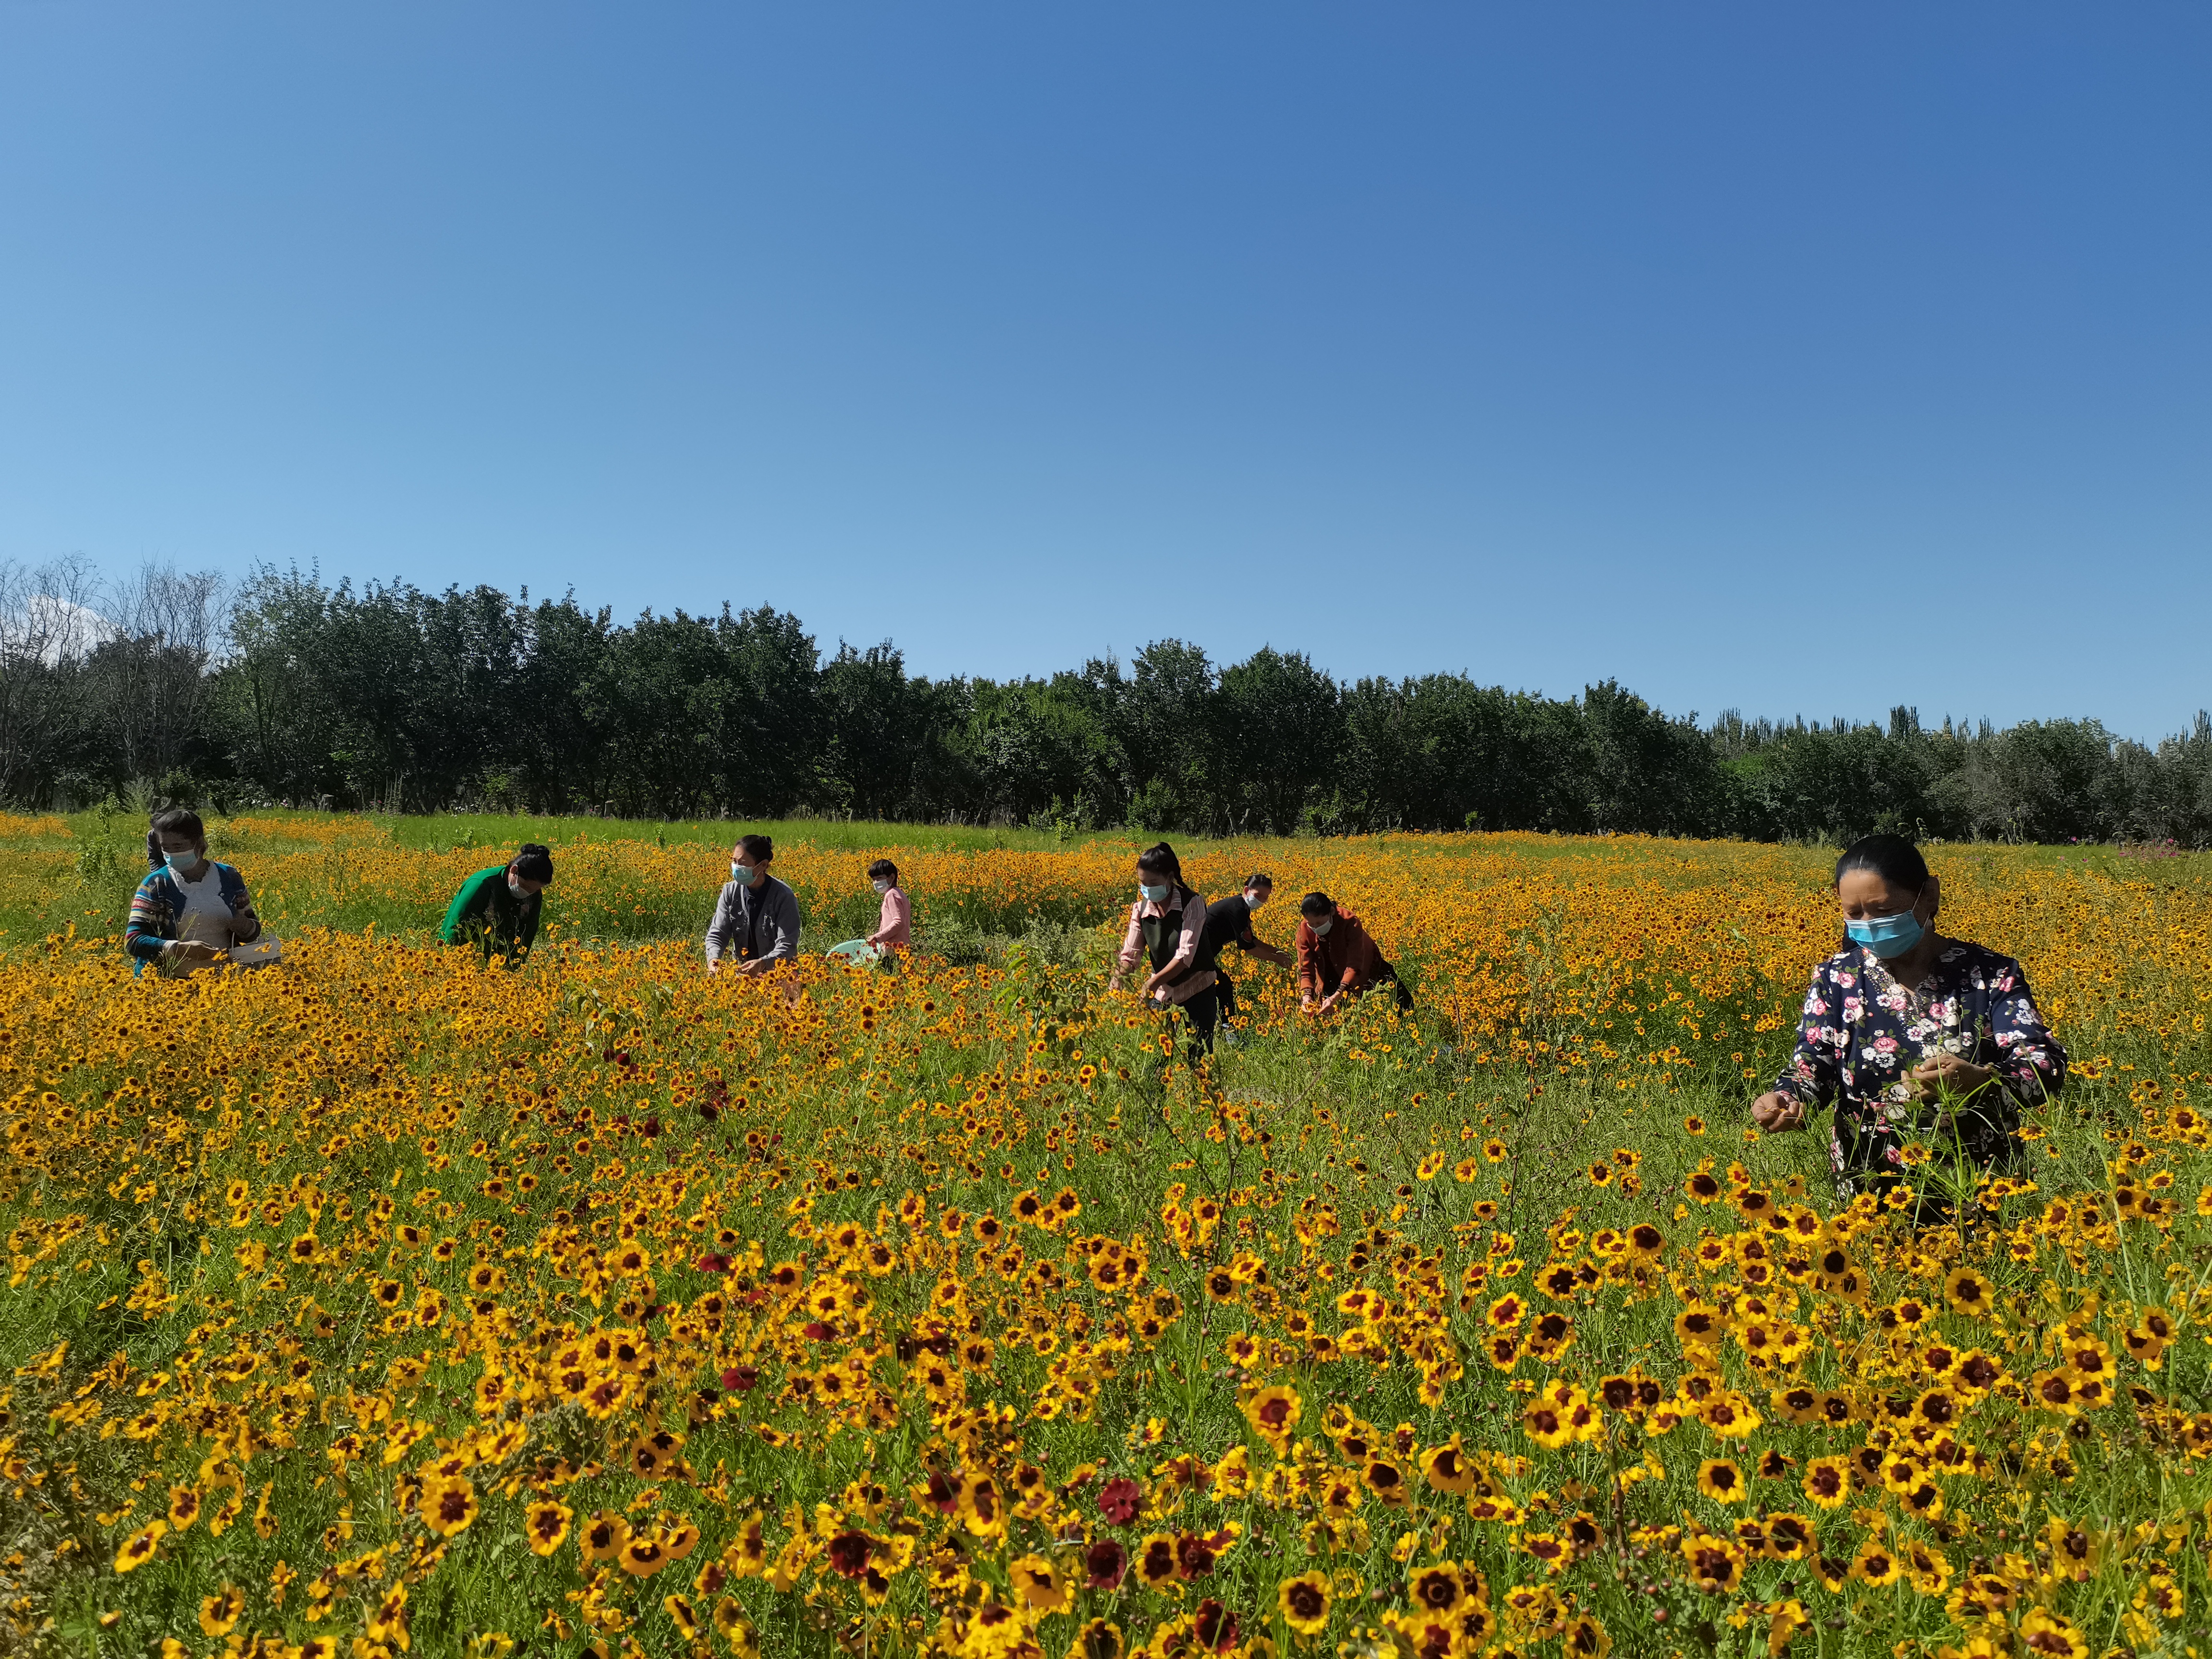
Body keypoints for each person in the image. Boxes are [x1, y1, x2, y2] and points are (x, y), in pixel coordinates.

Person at [1750, 833, 2067, 1202]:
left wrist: (1982, 1081)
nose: (1868, 924)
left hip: (1981, 1183)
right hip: (1870, 1186)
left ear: (1929, 895)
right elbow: (1812, 1064)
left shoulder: (1991, 974)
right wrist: (1786, 1098)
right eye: (1854, 914)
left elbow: (2046, 1066)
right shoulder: (1837, 978)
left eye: (1884, 911)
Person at [124, 808, 268, 976]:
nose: (171, 853)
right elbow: (134, 941)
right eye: (165, 847)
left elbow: (253, 928)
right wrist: (180, 949)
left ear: (199, 843)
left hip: (223, 984)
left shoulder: (229, 877)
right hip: (170, 985)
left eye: (178, 846)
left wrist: (246, 927)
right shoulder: (156, 883)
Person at [1109, 842, 1218, 1060]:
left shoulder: (1192, 903)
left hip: (1197, 984)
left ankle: (1201, 1093)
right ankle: (1158, 1091)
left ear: (1169, 878)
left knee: (1199, 1053)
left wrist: (1152, 983)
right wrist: (1119, 977)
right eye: (1143, 883)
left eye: (1154, 883)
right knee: (1158, 1050)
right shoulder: (1141, 909)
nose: (1148, 889)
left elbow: (1185, 956)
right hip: (1165, 989)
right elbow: (1131, 953)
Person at [1196, 873, 1293, 1041]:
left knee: (1218, 986)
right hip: (1196, 955)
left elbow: (1251, 939)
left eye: (1265, 898)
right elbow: (1248, 948)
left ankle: (1223, 1027)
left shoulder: (1240, 906)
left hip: (1203, 954)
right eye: (1258, 896)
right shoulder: (1237, 909)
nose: (1261, 901)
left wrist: (1278, 952)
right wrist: (1278, 959)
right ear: (1247, 890)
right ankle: (1228, 1031)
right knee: (1222, 985)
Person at [1296, 891, 1413, 1014]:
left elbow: (1355, 965)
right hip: (1328, 970)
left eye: (1319, 923)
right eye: (1311, 924)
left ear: (1331, 912)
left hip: (1366, 965)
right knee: (1337, 1016)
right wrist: (1307, 996)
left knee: (1401, 1006)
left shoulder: (1349, 922)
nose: (1315, 927)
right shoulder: (1303, 930)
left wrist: (1339, 994)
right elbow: (1305, 969)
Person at [440, 843, 553, 966]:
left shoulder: (534, 893)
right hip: (468, 959)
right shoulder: (482, 884)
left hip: (500, 963)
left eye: (533, 890)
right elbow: (457, 928)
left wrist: (515, 967)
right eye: (525, 887)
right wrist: (452, 964)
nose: (528, 894)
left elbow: (528, 933)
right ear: (514, 870)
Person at [706, 834, 802, 975]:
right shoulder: (730, 892)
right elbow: (718, 934)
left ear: (763, 865)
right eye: (734, 861)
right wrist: (713, 960)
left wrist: (764, 963)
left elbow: (787, 945)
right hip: (744, 976)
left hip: (780, 975)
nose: (737, 868)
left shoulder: (783, 896)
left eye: (742, 864)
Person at [827, 859, 910, 965]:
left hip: (893, 950)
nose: (876, 883)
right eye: (874, 880)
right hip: (904, 948)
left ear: (892, 877)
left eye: (879, 878)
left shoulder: (891, 895)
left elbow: (899, 922)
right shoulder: (901, 894)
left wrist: (878, 937)